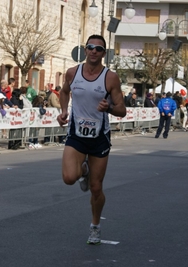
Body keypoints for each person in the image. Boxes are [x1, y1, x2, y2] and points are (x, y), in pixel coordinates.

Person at [57, 34, 126, 245]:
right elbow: (64, 92)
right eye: (90, 47)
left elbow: (122, 110)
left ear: (104, 53)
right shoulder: (72, 72)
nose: (94, 51)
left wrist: (110, 108)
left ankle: (95, 225)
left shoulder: (110, 77)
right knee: (69, 178)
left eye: (98, 49)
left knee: (96, 188)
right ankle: (83, 170)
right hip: (76, 134)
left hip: (99, 137)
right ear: (85, 50)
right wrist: (62, 111)